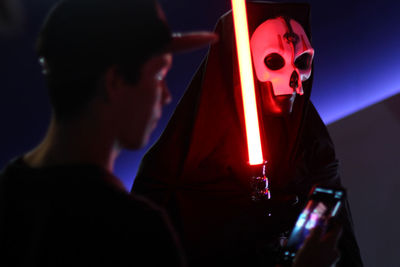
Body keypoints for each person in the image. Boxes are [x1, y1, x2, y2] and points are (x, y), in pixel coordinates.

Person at [132, 1, 363, 267]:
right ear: (242, 66)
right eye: (274, 61)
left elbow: (340, 245)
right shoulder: (172, 173)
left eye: (302, 62)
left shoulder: (313, 148)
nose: (294, 78)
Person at [0, 0, 216, 266]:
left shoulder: (8, 199)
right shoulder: (135, 234)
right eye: (158, 75)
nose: (167, 96)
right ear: (115, 81)